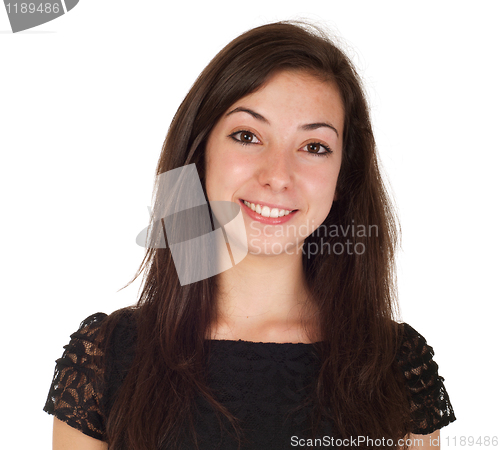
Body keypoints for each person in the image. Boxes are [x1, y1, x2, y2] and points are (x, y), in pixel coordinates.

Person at [44, 21, 456, 450]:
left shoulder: (396, 365)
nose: (278, 176)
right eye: (247, 136)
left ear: (342, 177)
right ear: (200, 155)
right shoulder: (106, 358)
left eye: (314, 147)